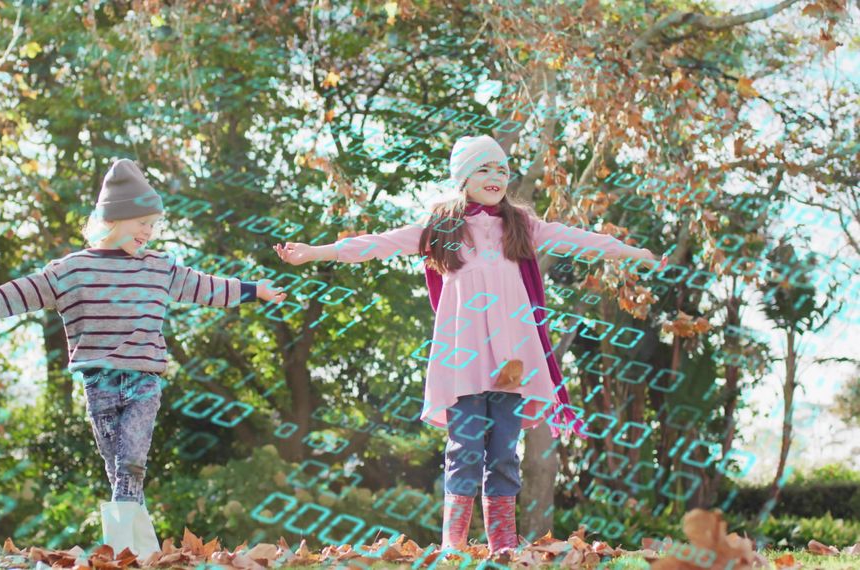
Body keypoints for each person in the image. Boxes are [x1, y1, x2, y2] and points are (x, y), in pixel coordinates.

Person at [274, 135, 665, 554]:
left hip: (512, 363)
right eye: (484, 169)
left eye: (501, 170)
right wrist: (315, 252)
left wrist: (631, 252)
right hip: (463, 361)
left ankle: (503, 545)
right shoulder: (442, 229)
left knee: (503, 454)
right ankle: (452, 546)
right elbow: (377, 243)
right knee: (464, 450)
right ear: (463, 177)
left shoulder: (521, 227)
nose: (495, 177)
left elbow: (579, 239)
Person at [0, 158, 286, 558]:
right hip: (98, 384)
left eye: (153, 224)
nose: (149, 232)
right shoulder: (72, 269)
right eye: (141, 223)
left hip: (143, 382)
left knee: (130, 464)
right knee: (120, 470)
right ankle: (143, 555)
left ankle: (118, 551)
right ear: (116, 219)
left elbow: (204, 287)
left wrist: (254, 290)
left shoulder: (159, 268)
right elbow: (22, 293)